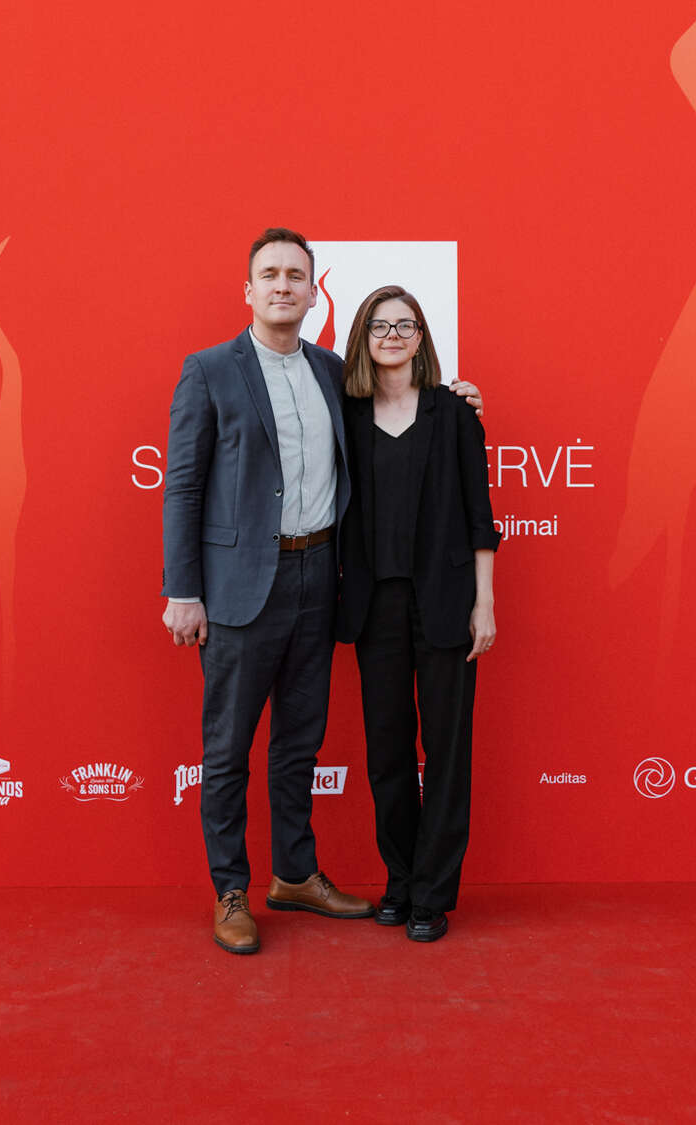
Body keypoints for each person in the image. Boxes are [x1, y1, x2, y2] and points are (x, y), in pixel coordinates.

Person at [161, 230, 480, 955]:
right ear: (248, 290)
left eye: (295, 276)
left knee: (300, 740)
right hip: (240, 587)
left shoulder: (335, 371)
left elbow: (405, 407)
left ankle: (295, 873)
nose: (283, 286)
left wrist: (458, 396)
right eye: (269, 274)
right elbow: (182, 487)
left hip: (321, 576)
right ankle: (231, 888)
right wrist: (183, 589)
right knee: (228, 747)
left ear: (313, 293)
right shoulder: (208, 371)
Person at [333, 285, 498, 944]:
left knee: (447, 752)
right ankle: (399, 881)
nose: (393, 336)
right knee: (387, 752)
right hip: (374, 606)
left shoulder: (454, 413)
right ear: (363, 337)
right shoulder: (345, 415)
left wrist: (485, 601)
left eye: (405, 325)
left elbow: (480, 513)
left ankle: (433, 892)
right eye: (381, 325)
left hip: (448, 602)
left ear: (422, 337)